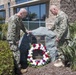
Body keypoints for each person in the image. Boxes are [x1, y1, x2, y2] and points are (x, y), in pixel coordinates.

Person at [7, 8, 29, 75]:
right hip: (12, 40)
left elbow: (22, 26)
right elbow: (11, 31)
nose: (25, 17)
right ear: (21, 13)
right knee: (16, 54)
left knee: (15, 53)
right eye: (24, 15)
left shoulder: (19, 19)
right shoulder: (13, 19)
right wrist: (15, 40)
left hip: (15, 39)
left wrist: (27, 31)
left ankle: (15, 68)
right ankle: (18, 71)